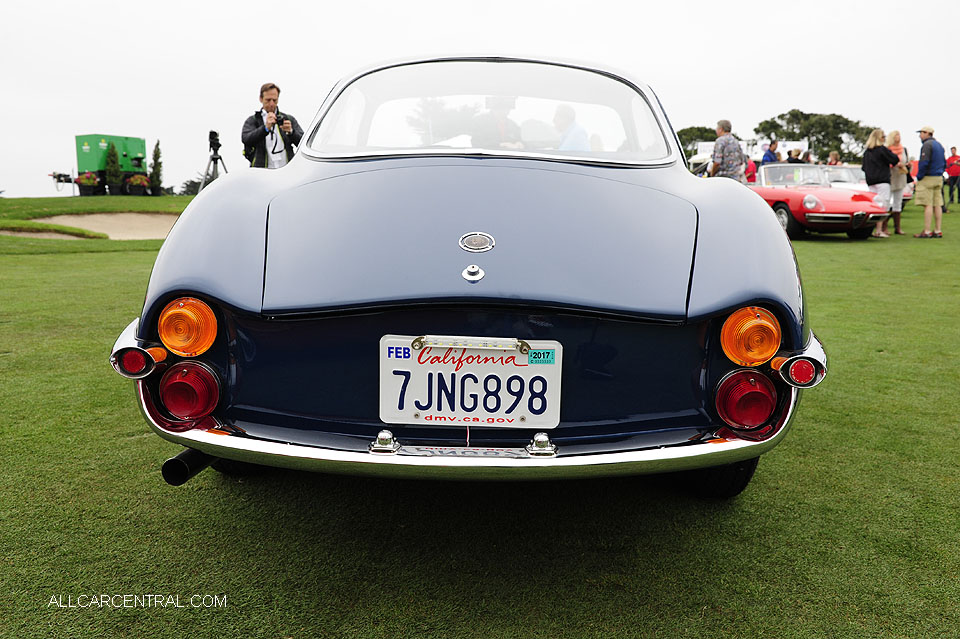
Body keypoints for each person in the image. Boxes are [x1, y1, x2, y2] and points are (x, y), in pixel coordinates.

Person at [241, 82, 304, 169]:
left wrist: (291, 132)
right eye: (268, 100)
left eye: (274, 100)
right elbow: (246, 139)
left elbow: (304, 143)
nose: (271, 104)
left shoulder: (288, 119)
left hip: (287, 170)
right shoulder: (253, 120)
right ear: (261, 99)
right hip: (261, 171)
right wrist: (265, 129)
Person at [862, 128, 901, 238]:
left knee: (873, 204)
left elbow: (863, 167)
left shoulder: (867, 152)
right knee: (883, 204)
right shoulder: (881, 150)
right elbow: (894, 159)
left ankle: (873, 228)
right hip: (882, 180)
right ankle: (879, 230)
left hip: (871, 181)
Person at [913, 126, 946, 238]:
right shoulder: (939, 145)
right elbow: (944, 162)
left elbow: (924, 163)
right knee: (938, 204)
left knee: (928, 204)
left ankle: (927, 231)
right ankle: (937, 230)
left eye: (921, 133)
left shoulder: (927, 145)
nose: (920, 136)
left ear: (927, 133)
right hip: (938, 177)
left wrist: (919, 176)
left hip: (928, 177)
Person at [881, 130, 908, 235]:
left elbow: (905, 161)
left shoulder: (903, 149)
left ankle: (897, 227)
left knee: (898, 202)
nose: (898, 137)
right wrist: (894, 163)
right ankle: (884, 226)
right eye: (896, 135)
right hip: (890, 176)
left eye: (899, 135)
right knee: (887, 202)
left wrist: (906, 165)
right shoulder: (887, 149)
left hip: (900, 176)